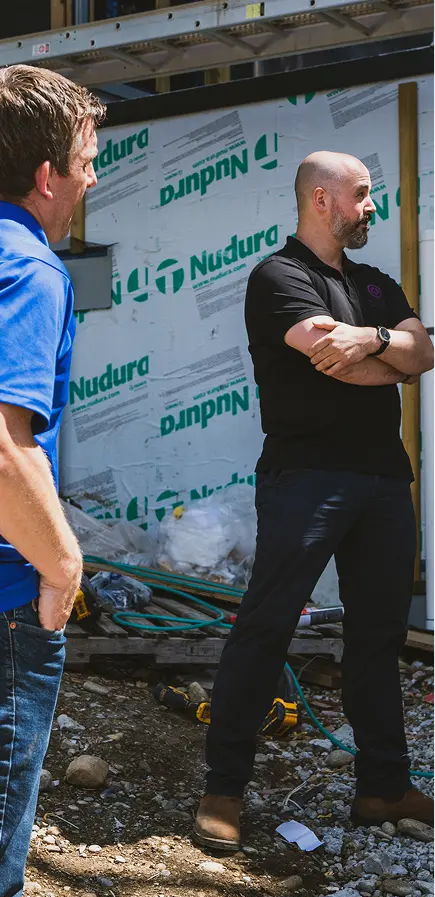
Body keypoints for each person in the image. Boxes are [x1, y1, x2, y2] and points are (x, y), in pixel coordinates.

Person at [194, 150, 435, 852]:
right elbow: (330, 358)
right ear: (322, 199)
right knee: (266, 626)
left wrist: (379, 338)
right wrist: (381, 357)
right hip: (307, 479)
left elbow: (421, 352)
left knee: (377, 637)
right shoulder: (278, 277)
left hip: (385, 483)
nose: (370, 207)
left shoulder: (372, 284)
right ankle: (223, 789)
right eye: (361, 195)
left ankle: (382, 787)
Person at [0, 65, 105, 897]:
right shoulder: (29, 270)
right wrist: (63, 567)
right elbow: (2, 448)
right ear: (47, 175)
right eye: (87, 158)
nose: (93, 176)